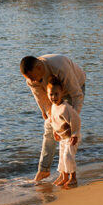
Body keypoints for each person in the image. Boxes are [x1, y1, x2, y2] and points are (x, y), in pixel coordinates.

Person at [20, 54, 86, 182]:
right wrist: (47, 115)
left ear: (39, 67)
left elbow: (77, 95)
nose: (32, 81)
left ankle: (69, 174)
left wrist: (72, 120)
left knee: (66, 133)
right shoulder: (31, 79)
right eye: (29, 79)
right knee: (49, 128)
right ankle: (44, 170)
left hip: (74, 88)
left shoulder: (60, 67)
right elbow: (41, 99)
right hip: (52, 93)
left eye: (33, 78)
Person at [46, 76, 80, 188]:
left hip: (71, 137)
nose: (54, 97)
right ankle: (64, 176)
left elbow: (76, 120)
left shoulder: (65, 108)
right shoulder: (53, 106)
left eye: (56, 94)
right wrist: (55, 132)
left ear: (62, 93)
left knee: (68, 157)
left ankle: (73, 178)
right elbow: (53, 120)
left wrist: (75, 134)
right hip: (62, 137)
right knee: (61, 157)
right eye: (51, 94)